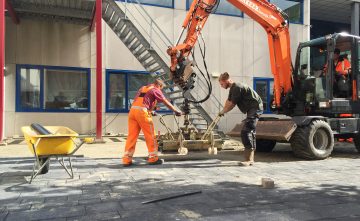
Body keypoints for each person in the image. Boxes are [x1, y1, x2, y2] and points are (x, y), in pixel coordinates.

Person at [122, 79, 182, 166]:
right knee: (150, 135)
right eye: (161, 89)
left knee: (132, 136)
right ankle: (153, 158)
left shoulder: (143, 88)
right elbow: (166, 102)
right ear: (159, 86)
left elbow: (142, 100)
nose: (160, 90)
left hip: (132, 112)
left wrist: (150, 110)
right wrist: (176, 111)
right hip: (142, 113)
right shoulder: (155, 89)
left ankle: (126, 159)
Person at [218, 72, 263, 166]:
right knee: (250, 131)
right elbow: (228, 101)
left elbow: (232, 104)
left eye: (222, 84)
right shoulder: (233, 88)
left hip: (255, 108)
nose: (221, 86)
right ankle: (250, 159)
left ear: (227, 81)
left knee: (246, 131)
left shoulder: (237, 87)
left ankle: (249, 160)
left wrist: (224, 112)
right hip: (251, 109)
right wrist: (222, 111)